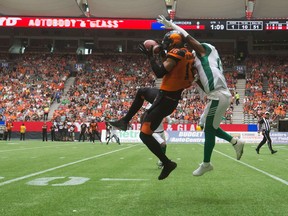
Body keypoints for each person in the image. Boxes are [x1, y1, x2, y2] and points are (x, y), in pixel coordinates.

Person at [157, 15, 245, 176]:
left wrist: (172, 25)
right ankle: (235, 142)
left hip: (218, 95)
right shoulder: (205, 62)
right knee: (206, 126)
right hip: (216, 96)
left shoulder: (204, 50)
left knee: (210, 129)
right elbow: (199, 82)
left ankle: (206, 163)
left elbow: (188, 38)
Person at [110, 30, 196, 180]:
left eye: (168, 43)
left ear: (174, 43)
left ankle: (167, 163)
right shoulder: (186, 52)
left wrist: (150, 57)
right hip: (168, 96)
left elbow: (160, 72)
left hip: (165, 100)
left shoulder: (177, 52)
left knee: (144, 135)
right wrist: (161, 53)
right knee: (142, 91)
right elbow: (171, 65)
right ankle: (124, 121)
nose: (166, 45)